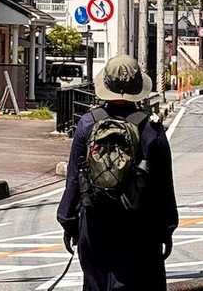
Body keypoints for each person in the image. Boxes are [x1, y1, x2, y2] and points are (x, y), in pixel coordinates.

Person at [56, 55, 179, 290]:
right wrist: (167, 228)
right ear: (138, 89)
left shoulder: (87, 124)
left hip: (95, 225)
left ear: (105, 86)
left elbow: (74, 179)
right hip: (140, 229)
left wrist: (68, 221)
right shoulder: (151, 129)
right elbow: (164, 186)